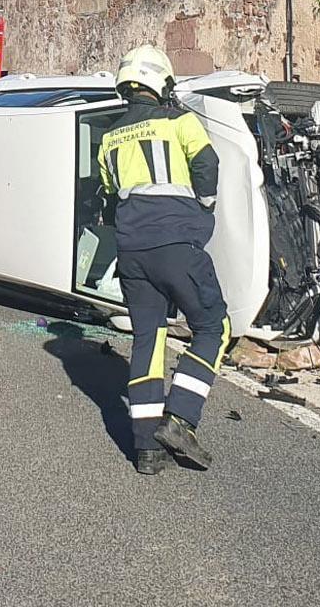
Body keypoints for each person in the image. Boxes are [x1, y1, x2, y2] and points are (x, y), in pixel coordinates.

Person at [97, 44, 228, 475]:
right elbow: (207, 162)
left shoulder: (110, 137)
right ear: (161, 82)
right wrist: (204, 206)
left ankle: (146, 450)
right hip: (177, 243)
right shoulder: (179, 120)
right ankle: (180, 418)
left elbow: (107, 194)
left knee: (147, 339)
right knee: (213, 326)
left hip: (132, 252)